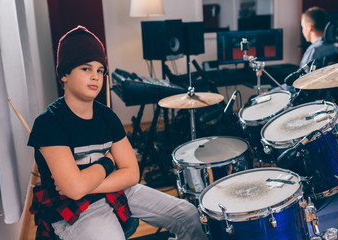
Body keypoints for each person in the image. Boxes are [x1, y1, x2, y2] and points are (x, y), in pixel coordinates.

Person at [27, 25, 208, 240]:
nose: (95, 76)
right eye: (86, 68)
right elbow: (74, 191)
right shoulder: (49, 123)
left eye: (100, 70)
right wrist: (109, 162)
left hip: (116, 191)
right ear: (64, 74)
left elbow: (132, 174)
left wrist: (85, 183)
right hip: (74, 209)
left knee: (187, 215)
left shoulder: (107, 116)